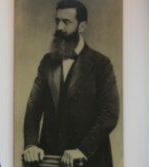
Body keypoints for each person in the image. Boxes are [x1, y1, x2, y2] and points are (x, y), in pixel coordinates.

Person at [22, 0, 119, 167]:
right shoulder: (47, 62)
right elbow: (34, 106)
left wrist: (82, 150)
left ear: (82, 26)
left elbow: (109, 113)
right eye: (57, 21)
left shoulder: (101, 64)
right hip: (51, 160)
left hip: (90, 160)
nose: (59, 27)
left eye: (66, 22)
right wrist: (31, 144)